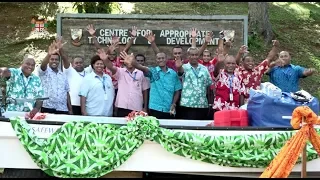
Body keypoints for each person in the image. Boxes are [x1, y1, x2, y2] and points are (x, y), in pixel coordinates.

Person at [126, 51, 182, 119]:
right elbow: (141, 68)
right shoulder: (153, 71)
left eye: (163, 58)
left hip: (169, 109)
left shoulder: (173, 73)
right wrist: (133, 62)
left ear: (166, 59)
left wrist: (173, 104)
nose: (161, 60)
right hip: (155, 108)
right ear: (156, 60)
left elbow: (177, 90)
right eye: (159, 58)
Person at [97, 48, 150, 117]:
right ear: (124, 62)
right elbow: (111, 67)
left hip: (136, 106)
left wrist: (145, 107)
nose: (129, 62)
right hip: (122, 106)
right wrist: (105, 60)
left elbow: (145, 90)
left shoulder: (141, 73)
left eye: (131, 60)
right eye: (127, 60)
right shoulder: (120, 72)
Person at [176, 47, 213, 120]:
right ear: (188, 56)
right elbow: (180, 73)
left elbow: (209, 84)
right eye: (192, 55)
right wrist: (179, 67)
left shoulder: (204, 69)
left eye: (196, 55)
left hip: (202, 105)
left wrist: (210, 103)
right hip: (187, 105)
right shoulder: (184, 67)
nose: (194, 57)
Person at [38, 38, 72, 114]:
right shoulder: (44, 72)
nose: (54, 61)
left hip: (62, 108)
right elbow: (43, 65)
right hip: (48, 107)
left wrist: (70, 109)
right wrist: (48, 54)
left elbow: (66, 92)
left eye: (56, 60)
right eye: (52, 59)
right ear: (49, 60)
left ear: (59, 61)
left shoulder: (63, 75)